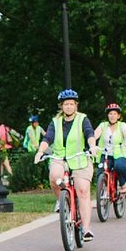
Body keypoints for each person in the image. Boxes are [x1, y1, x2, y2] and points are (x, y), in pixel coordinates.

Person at [33, 89, 98, 242]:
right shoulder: (55, 122)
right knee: (55, 176)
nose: (68, 107)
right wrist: (40, 151)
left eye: (71, 104)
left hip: (80, 158)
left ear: (76, 105)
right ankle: (62, 201)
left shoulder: (83, 119)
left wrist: (93, 146)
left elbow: (89, 134)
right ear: (61, 106)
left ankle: (86, 229)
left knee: (82, 190)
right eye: (65, 104)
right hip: (60, 158)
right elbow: (48, 137)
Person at [93, 102, 126, 200]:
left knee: (119, 166)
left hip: (119, 153)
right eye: (110, 114)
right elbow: (95, 135)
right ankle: (102, 193)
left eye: (115, 114)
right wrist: (91, 144)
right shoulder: (103, 125)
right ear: (107, 115)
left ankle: (123, 184)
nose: (112, 116)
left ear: (118, 116)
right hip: (105, 153)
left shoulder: (122, 125)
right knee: (100, 172)